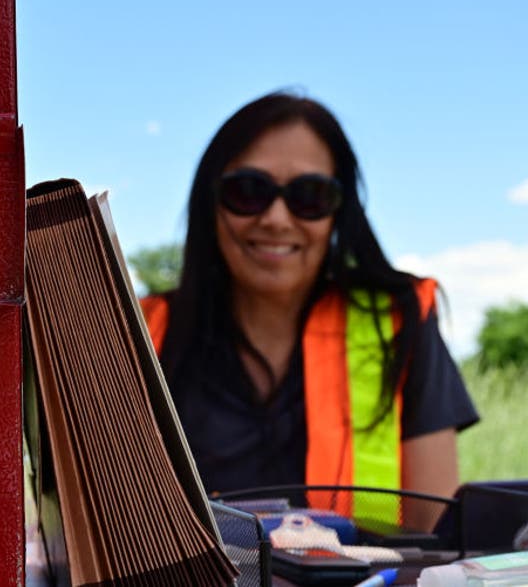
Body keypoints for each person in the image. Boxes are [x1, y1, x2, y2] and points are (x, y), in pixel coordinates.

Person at [140, 91, 478, 531]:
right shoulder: (143, 330)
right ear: (211, 203)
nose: (277, 218)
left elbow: (433, 536)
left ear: (340, 213)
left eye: (309, 196)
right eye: (248, 191)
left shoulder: (399, 321)